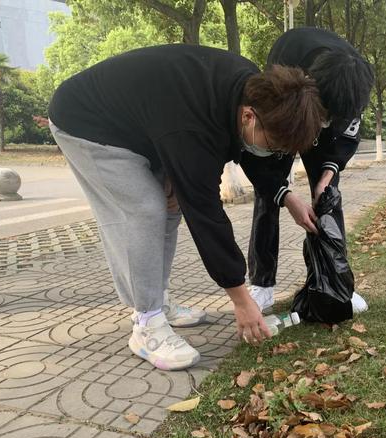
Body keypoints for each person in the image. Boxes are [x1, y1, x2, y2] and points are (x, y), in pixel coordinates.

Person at [47, 44, 325, 371]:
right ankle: (146, 324)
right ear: (249, 116)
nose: (274, 154)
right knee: (144, 210)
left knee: (171, 205)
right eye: (275, 146)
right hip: (86, 122)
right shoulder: (195, 128)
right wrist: (241, 299)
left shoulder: (253, 92)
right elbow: (206, 215)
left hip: (154, 124)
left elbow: (246, 155)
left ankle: (158, 300)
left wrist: (287, 197)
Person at [240, 27, 375, 315]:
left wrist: (327, 175)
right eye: (325, 116)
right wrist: (286, 196)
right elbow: (264, 166)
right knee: (268, 196)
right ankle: (262, 283)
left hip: (323, 124)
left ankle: (334, 281)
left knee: (328, 197)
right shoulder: (288, 56)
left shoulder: (354, 82)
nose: (325, 123)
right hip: (289, 116)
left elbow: (348, 136)